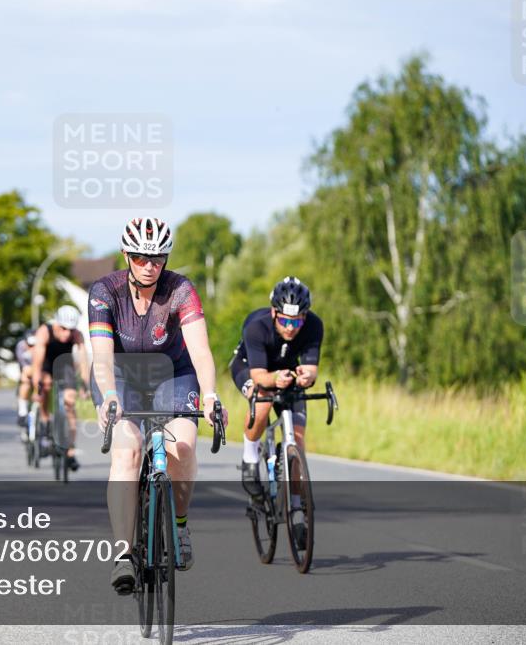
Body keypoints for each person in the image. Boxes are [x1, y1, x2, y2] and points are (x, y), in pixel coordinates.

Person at [89, 217, 225, 594]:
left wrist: (211, 395)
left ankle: (179, 524)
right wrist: (110, 396)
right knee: (128, 449)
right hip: (119, 375)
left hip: (173, 373)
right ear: (126, 255)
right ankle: (122, 554)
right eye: (140, 258)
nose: (150, 266)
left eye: (158, 258)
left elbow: (200, 350)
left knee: (180, 445)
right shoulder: (105, 291)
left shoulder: (180, 289)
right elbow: (101, 354)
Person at [229, 276, 323, 503]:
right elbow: (260, 377)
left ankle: (297, 506)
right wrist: (274, 379)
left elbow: (311, 369)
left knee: (298, 442)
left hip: (287, 372)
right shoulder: (256, 327)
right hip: (251, 368)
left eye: (296, 322)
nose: (290, 328)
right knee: (262, 400)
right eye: (285, 321)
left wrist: (306, 376)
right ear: (274, 313)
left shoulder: (314, 325)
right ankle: (250, 457)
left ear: (305, 317)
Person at [30, 306, 90, 471]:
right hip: (46, 364)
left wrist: (85, 384)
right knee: (46, 385)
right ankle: (44, 418)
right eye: (63, 328)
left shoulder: (77, 335)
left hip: (65, 365)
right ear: (57, 323)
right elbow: (37, 362)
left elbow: (83, 360)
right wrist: (37, 387)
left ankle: (70, 450)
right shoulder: (44, 331)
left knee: (69, 402)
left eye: (70, 330)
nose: (66, 334)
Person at [15, 330, 38, 429]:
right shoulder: (21, 346)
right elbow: (23, 365)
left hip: (39, 370)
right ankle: (22, 412)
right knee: (25, 382)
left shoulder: (40, 346)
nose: (31, 347)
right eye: (30, 345)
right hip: (27, 370)